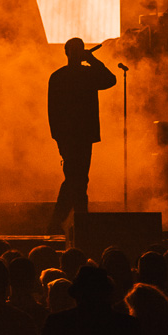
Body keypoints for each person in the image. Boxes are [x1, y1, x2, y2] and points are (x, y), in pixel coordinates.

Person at [47, 37, 116, 233]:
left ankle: (62, 222)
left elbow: (110, 80)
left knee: (75, 178)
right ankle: (76, 220)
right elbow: (53, 111)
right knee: (77, 179)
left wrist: (58, 138)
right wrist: (92, 59)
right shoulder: (83, 75)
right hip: (78, 136)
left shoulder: (60, 76)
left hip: (76, 136)